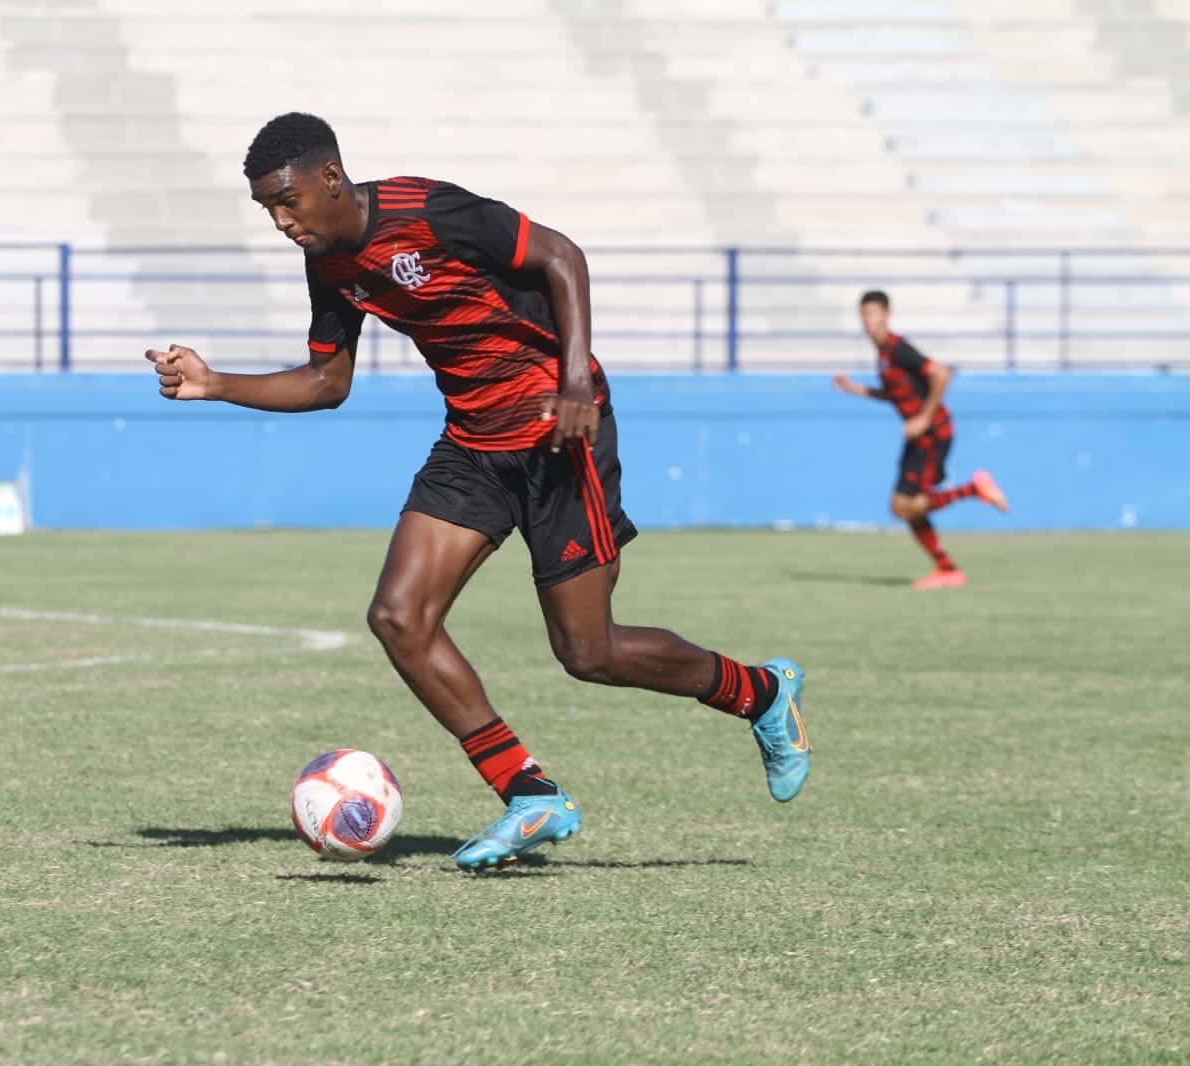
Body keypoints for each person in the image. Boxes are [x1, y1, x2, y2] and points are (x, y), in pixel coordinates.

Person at [147, 113, 811, 870]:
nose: (280, 220)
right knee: (399, 617)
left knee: (588, 652)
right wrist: (215, 383)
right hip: (471, 441)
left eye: (288, 200)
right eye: (268, 208)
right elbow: (328, 383)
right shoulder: (328, 261)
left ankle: (759, 692)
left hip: (558, 432)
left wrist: (573, 384)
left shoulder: (428, 211)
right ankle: (530, 795)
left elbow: (562, 255)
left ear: (331, 178)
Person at [834, 291, 1010, 590]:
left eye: (874, 314)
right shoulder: (884, 356)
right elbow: (895, 395)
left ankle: (974, 490)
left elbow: (941, 374)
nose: (869, 320)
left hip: (932, 434)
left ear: (887, 316)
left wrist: (925, 417)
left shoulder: (898, 348)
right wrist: (857, 390)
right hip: (918, 436)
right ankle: (947, 569)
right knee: (903, 506)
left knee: (906, 505)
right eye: (864, 315)